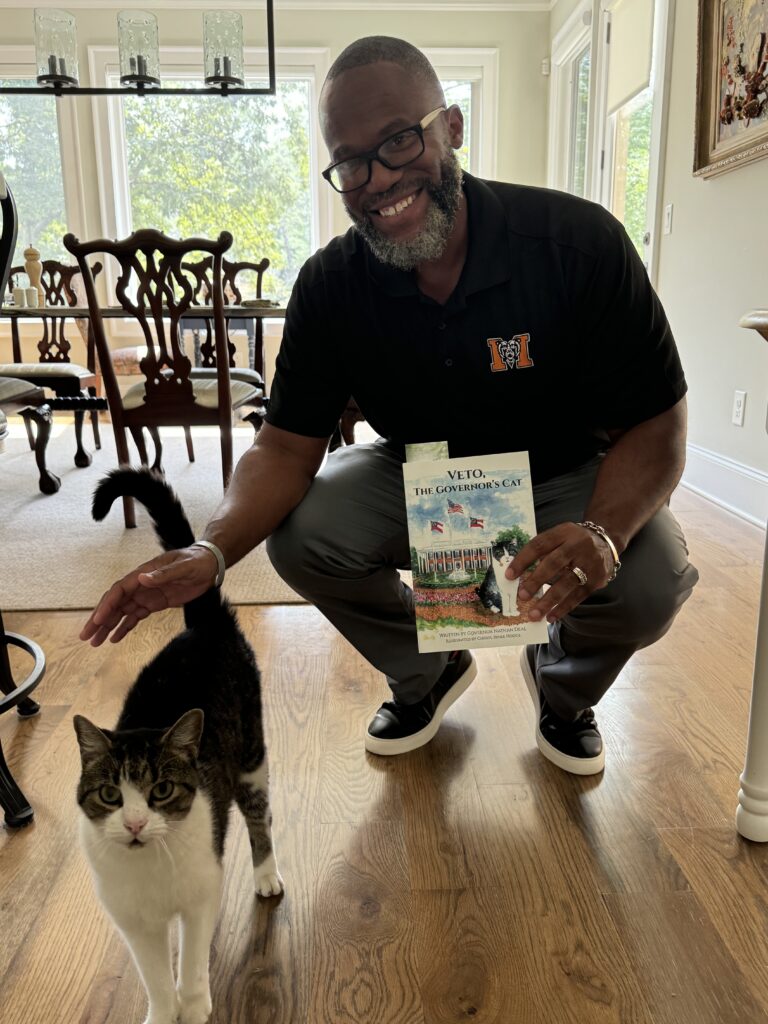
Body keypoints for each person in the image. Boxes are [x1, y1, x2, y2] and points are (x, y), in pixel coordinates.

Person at [81, 36, 699, 776]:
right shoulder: (330, 286)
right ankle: (427, 673)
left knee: (651, 571)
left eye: (401, 141)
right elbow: (283, 446)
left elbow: (658, 421)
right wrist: (213, 551)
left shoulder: (578, 245)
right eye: (351, 162)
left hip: (566, 473)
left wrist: (602, 532)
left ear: (452, 129)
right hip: (420, 475)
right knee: (302, 532)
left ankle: (563, 689)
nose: (379, 178)